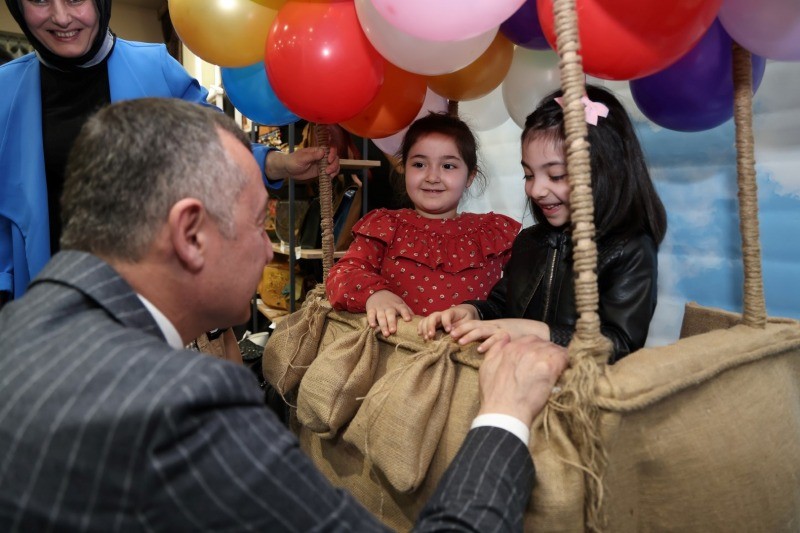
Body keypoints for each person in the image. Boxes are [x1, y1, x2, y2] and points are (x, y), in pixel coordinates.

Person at [0, 98, 569, 531]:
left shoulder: (23, 326)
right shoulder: (189, 405)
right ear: (190, 233)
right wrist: (503, 417)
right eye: (259, 223)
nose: (267, 248)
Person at [0, 0, 338, 306]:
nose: (61, 17)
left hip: (150, 306)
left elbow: (215, 142)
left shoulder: (153, 66)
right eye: (40, 0)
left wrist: (278, 164)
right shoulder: (5, 90)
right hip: (46, 308)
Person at [420, 85, 667, 362]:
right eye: (528, 175)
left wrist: (534, 331)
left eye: (556, 175)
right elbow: (502, 306)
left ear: (605, 169)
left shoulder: (630, 248)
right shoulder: (529, 241)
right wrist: (473, 312)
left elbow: (619, 343)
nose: (536, 190)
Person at [326, 112, 521, 337]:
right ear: (404, 168)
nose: (432, 177)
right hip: (398, 352)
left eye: (448, 166)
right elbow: (341, 275)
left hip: (471, 355)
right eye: (419, 164)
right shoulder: (386, 226)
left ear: (470, 176)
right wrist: (374, 295)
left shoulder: (494, 233)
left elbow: (526, 290)